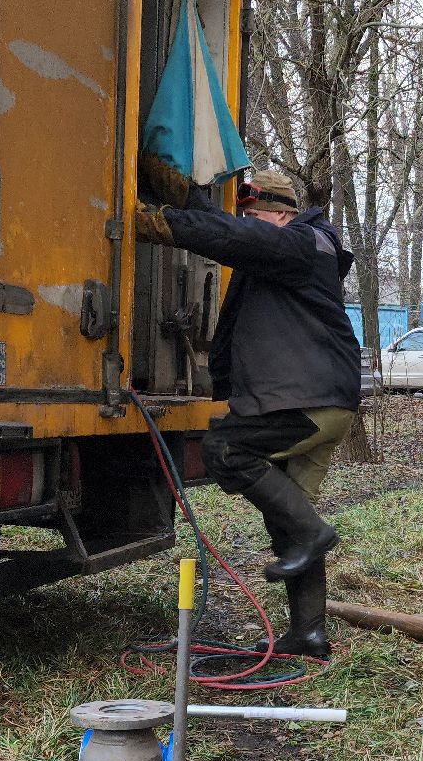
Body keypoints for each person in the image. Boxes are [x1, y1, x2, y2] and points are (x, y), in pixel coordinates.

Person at [133, 161, 359, 660]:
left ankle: (314, 533)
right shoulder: (283, 255)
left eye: (252, 216)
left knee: (226, 449)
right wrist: (186, 196)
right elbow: (229, 231)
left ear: (278, 217)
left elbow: (230, 237)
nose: (246, 226)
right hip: (314, 399)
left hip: (308, 399)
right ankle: (308, 635)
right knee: (289, 519)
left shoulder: (306, 244)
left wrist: (167, 224)